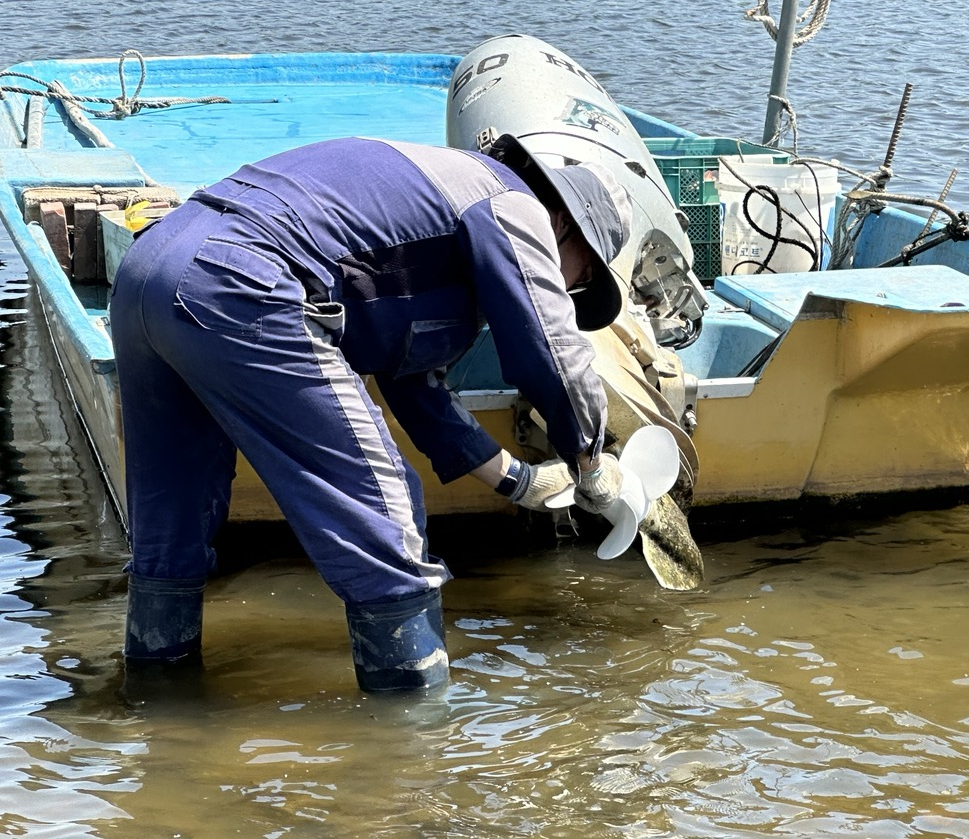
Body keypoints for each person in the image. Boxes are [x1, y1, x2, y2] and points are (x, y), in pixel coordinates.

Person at [111, 133, 633, 691]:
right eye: (583, 274)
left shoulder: (437, 207)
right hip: (240, 279)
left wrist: (519, 481)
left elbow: (414, 382)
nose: (573, 287)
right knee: (384, 515)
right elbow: (552, 350)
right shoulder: (511, 203)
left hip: (150, 268)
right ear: (564, 225)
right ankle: (415, 737)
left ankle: (155, 696)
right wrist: (591, 459)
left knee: (173, 513)